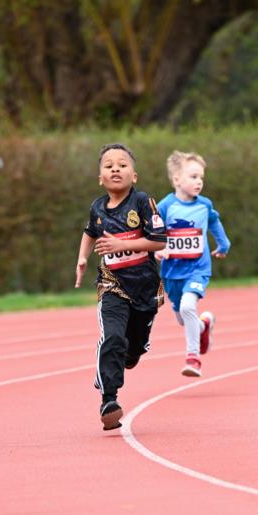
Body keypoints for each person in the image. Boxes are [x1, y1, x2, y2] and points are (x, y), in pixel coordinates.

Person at [74, 143, 167, 430]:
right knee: (113, 337)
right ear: (100, 177)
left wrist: (122, 243)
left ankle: (132, 353)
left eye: (123, 164)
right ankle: (108, 400)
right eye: (109, 165)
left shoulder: (141, 202)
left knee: (133, 345)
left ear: (134, 176)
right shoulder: (97, 207)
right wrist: (82, 258)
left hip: (145, 286)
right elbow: (90, 232)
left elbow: (159, 241)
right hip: (111, 283)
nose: (116, 168)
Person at [156, 151, 230, 376]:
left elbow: (214, 222)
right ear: (177, 179)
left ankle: (193, 358)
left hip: (198, 269)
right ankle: (204, 326)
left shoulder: (205, 205)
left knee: (189, 307)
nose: (199, 182)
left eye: (201, 177)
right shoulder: (164, 206)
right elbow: (152, 232)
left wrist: (224, 244)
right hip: (172, 272)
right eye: (193, 176)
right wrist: (158, 248)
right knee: (183, 317)